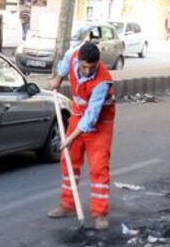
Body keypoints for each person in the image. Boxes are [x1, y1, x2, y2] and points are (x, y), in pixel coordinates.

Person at [46, 38, 117, 231]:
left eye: (91, 68)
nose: (87, 71)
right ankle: (67, 205)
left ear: (97, 64)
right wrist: (58, 79)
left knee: (99, 166)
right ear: (80, 61)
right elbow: (66, 61)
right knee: (69, 160)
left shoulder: (102, 81)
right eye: (84, 67)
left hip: (100, 124)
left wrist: (69, 138)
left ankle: (100, 213)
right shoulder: (74, 56)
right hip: (78, 115)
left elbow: (91, 118)